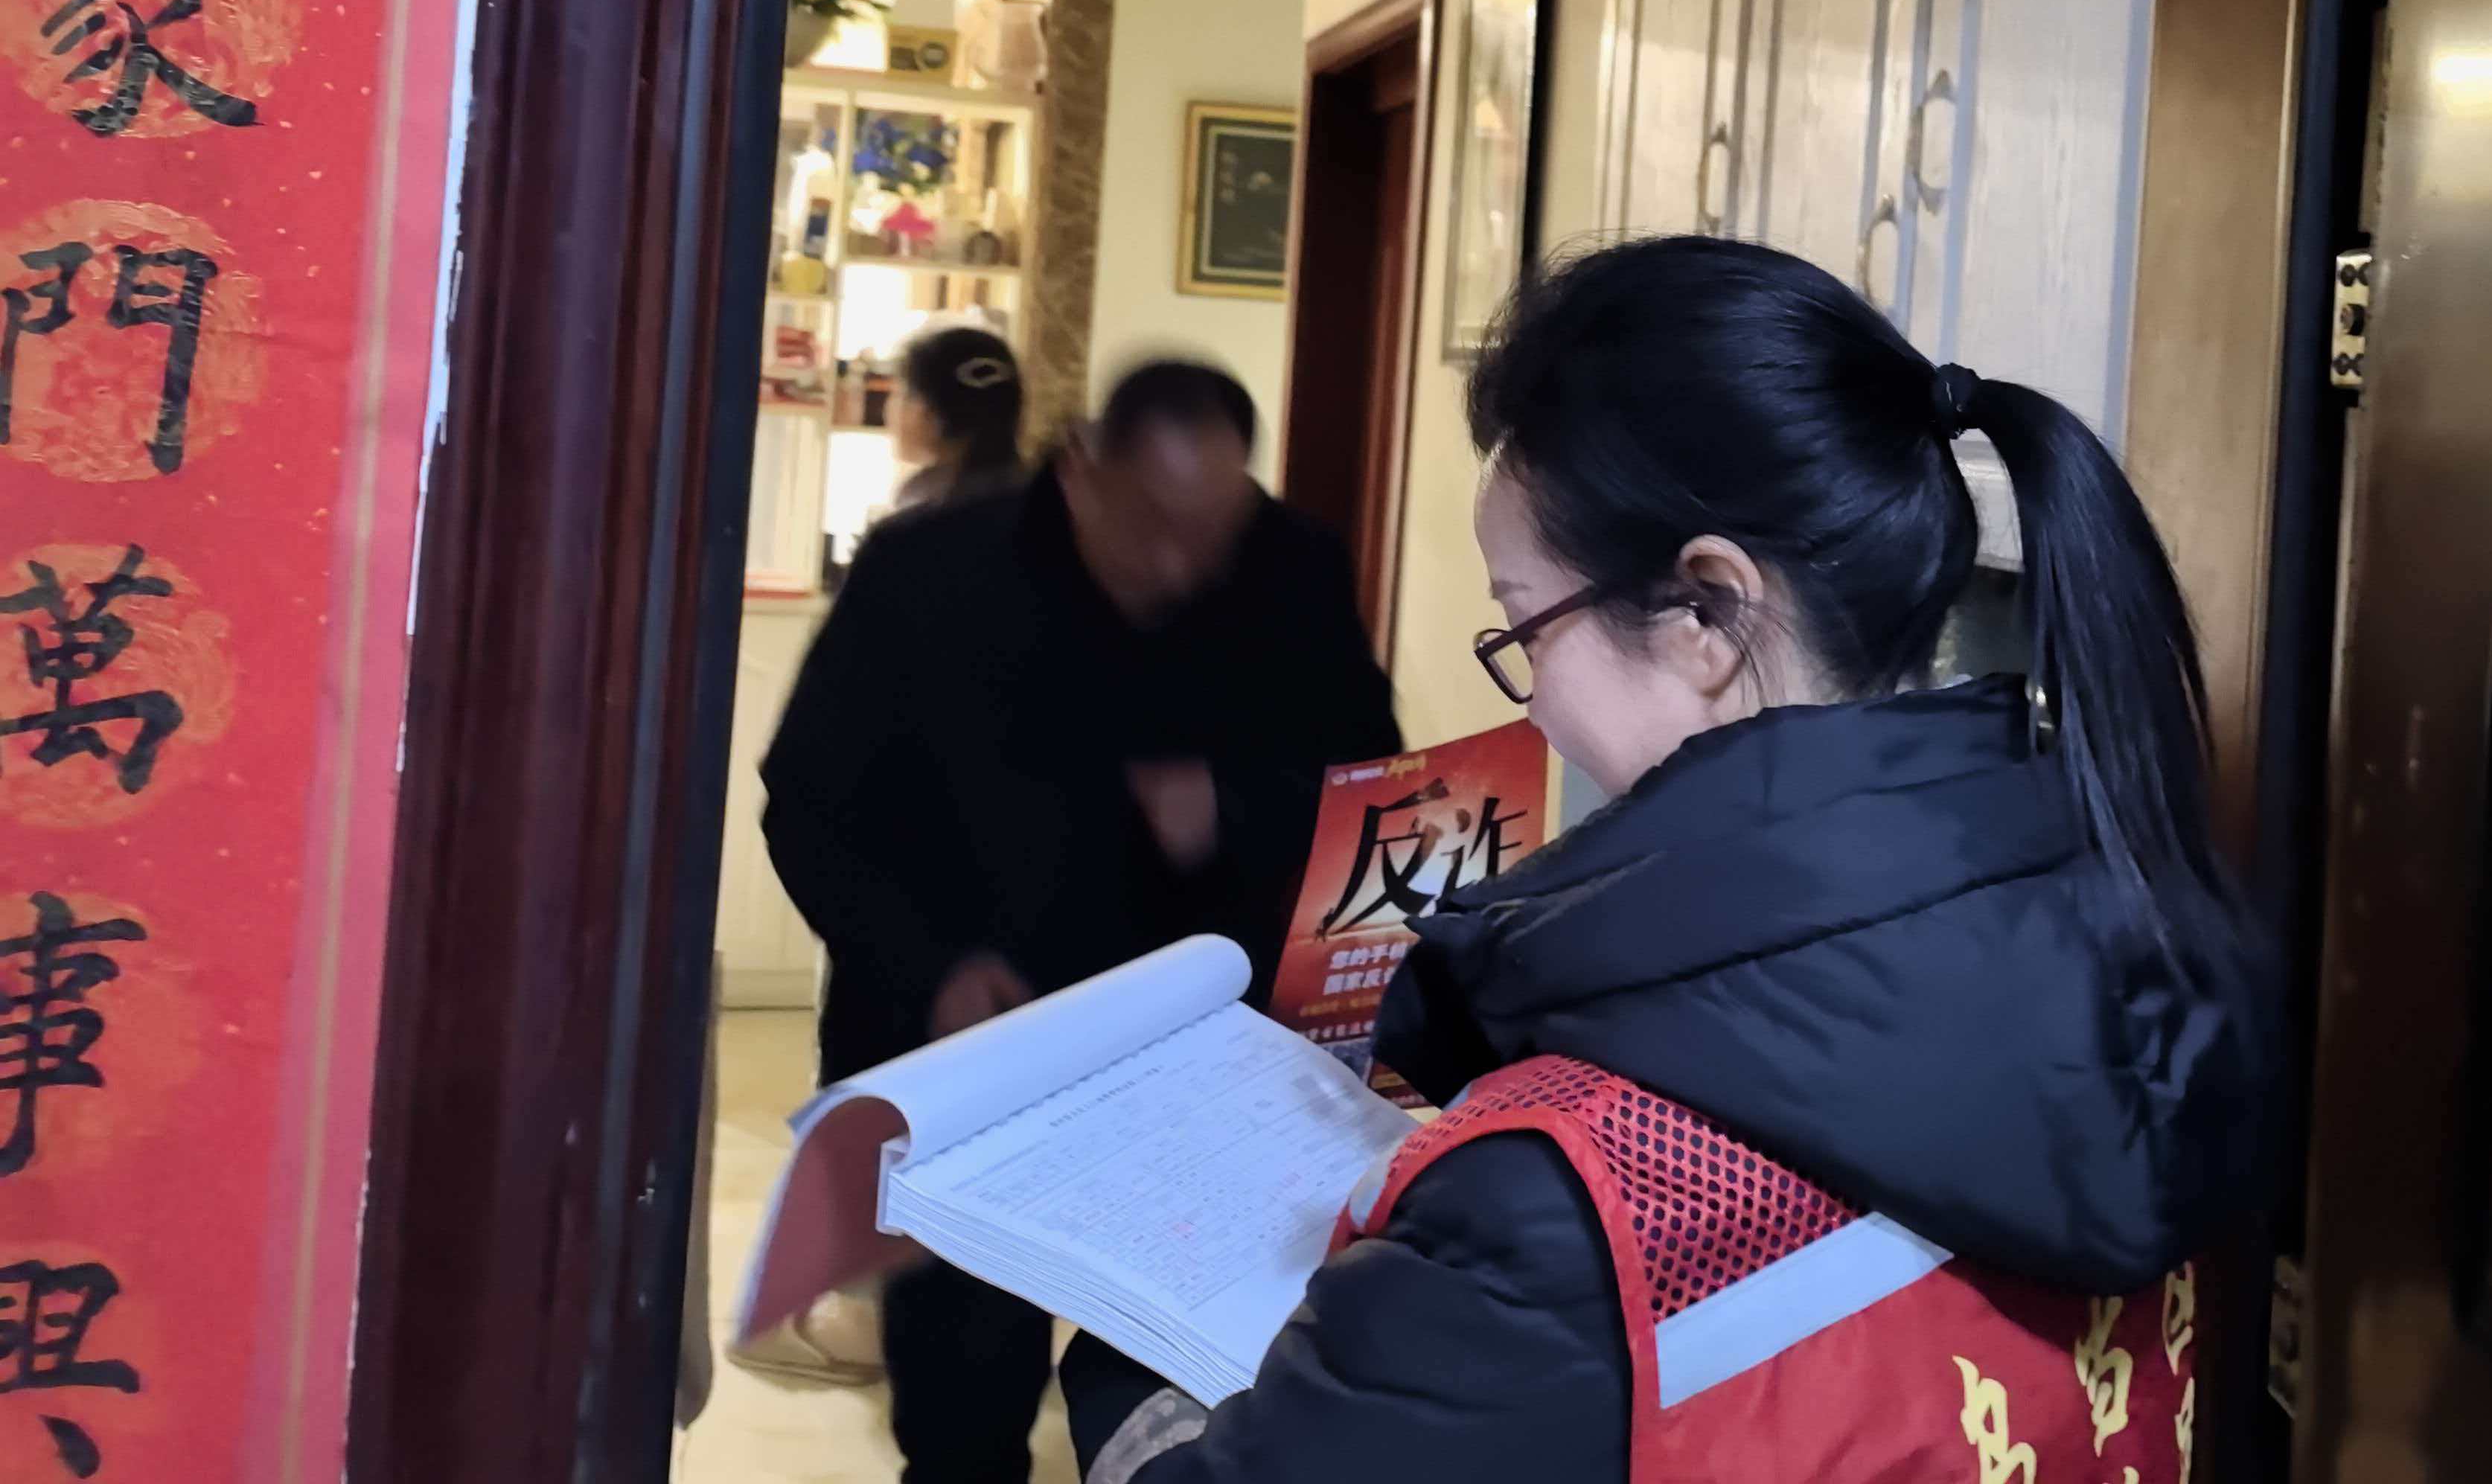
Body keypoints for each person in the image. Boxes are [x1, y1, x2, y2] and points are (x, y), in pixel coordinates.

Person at [1062, 236, 2278, 1484]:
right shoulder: (2128, 952)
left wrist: (1124, 1346)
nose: (1533, 702)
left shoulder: (1564, 1198)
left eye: (1525, 627)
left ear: (1706, 612)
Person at [761, 358, 1400, 1484]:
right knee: (961, 1400)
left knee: (1192, 1375)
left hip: (1199, 1062)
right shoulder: (928, 570)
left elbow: (1368, 793)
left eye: (1209, 536)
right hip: (965, 1051)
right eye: (1151, 529)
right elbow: (808, 805)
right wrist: (929, 967)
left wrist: (1231, 807)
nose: (1178, 567)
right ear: (1080, 474)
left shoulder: (1290, 567)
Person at [889, 322, 1024, 514]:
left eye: (899, 393)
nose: (891, 408)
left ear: (927, 412)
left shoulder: (921, 517)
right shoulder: (1042, 498)